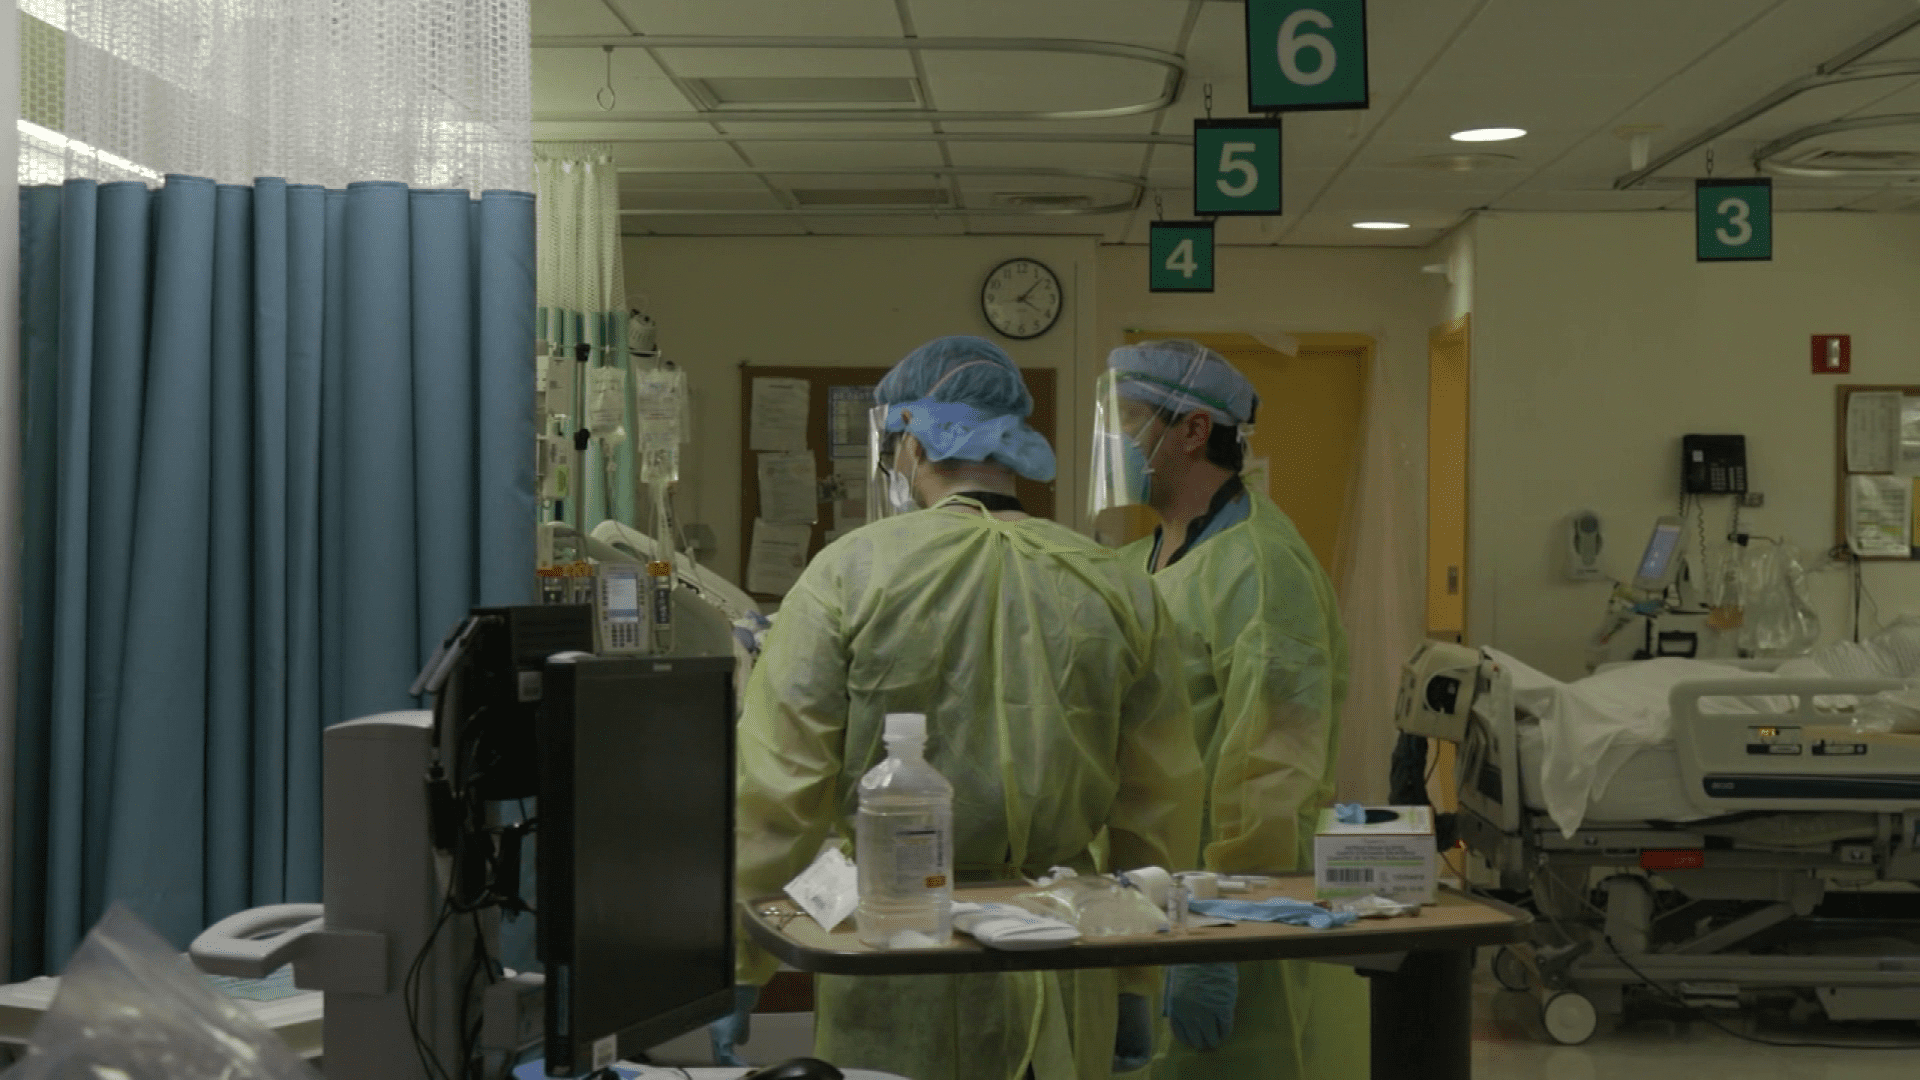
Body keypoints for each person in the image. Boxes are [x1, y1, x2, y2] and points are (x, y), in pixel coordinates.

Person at [715, 335, 1204, 1080]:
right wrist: (1138, 977)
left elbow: (776, 799)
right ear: (1011, 446)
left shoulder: (851, 575)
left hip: (901, 957)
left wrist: (739, 963)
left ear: (908, 441)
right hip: (1070, 956)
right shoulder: (1115, 585)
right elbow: (1158, 805)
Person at [1090, 340, 1369, 1080]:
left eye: (1129, 420)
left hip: (1233, 905)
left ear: (1190, 431)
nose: (1114, 441)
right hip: (1149, 897)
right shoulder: (1135, 562)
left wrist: (1222, 935)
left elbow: (1273, 769)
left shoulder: (1261, 567)